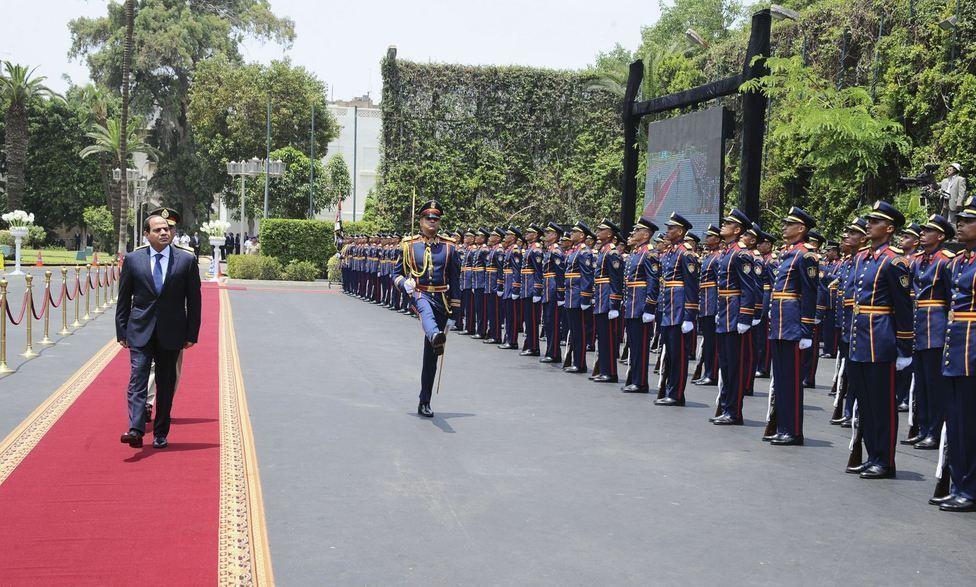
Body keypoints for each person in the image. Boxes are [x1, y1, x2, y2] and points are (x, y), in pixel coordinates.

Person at [116, 208, 202, 449]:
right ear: (147, 234)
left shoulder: (186, 260)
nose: (165, 232)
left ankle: (161, 432)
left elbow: (194, 301)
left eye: (167, 229)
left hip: (172, 332)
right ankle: (135, 429)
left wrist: (191, 333)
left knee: (165, 385)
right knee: (138, 379)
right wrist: (122, 331)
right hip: (140, 330)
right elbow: (124, 299)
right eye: (158, 230)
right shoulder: (134, 260)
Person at [845, 201, 913, 479]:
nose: (869, 225)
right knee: (865, 402)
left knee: (882, 404)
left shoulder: (895, 262)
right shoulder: (863, 257)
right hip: (859, 339)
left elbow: (904, 308)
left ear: (889, 229)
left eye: (875, 222)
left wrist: (904, 347)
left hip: (880, 339)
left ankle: (884, 460)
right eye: (869, 221)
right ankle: (872, 454)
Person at [392, 199, 462, 418]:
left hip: (441, 298)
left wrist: (455, 312)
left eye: (436, 218)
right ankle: (434, 335)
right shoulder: (409, 245)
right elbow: (395, 274)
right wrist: (404, 284)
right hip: (419, 293)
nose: (432, 221)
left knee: (431, 357)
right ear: (421, 221)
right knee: (425, 310)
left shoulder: (449, 247)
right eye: (428, 218)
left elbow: (455, 281)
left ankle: (425, 400)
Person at [765, 207, 818, 446]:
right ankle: (782, 426)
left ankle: (793, 430)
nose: (784, 227)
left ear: (801, 229)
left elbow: (810, 293)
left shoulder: (806, 256)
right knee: (781, 380)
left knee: (792, 381)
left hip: (793, 326)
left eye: (789, 224)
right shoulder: (788, 253)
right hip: (780, 324)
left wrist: (806, 329)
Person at [936, 197, 976, 511]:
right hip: (956, 350)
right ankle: (960, 483)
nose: (960, 224)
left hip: (972, 352)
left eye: (968, 220)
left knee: (969, 423)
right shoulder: (959, 261)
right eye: (960, 219)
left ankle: (970, 489)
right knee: (957, 422)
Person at [902, 215, 954, 451]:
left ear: (940, 236)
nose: (922, 234)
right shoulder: (917, 261)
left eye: (928, 231)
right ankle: (922, 428)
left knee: (934, 385)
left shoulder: (945, 262)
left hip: (936, 327)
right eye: (921, 230)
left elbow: (952, 299)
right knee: (921, 383)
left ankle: (934, 431)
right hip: (919, 325)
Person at [710, 209, 759, 426]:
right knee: (725, 364)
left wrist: (745, 317)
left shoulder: (741, 254)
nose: (723, 225)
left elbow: (749, 288)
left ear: (737, 229)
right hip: (725, 313)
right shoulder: (727, 252)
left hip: (734, 314)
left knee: (734, 366)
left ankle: (734, 411)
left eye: (728, 223)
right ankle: (726, 407)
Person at [654, 213, 699, 407]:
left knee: (678, 355)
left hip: (679, 311)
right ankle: (669, 390)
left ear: (680, 231)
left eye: (671, 228)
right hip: (669, 310)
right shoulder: (670, 252)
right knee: (670, 354)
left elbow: (691, 286)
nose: (667, 231)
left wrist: (689, 315)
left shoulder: (685, 253)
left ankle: (677, 394)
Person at [621, 217, 659, 393]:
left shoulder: (649, 253)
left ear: (645, 235)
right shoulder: (636, 252)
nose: (634, 232)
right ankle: (634, 378)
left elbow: (653, 281)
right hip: (632, 304)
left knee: (641, 346)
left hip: (641, 305)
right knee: (633, 344)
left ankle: (641, 381)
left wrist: (649, 307)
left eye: (637, 230)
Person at [590, 219, 624, 383]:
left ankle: (610, 372)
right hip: (601, 298)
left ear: (609, 234)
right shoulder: (603, 251)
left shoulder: (612, 253)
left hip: (607, 299)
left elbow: (616, 280)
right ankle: (603, 369)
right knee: (602, 337)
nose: (598, 232)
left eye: (601, 230)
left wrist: (614, 304)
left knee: (608, 338)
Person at [563, 222, 595, 374]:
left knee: (579, 331)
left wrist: (585, 297)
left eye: (574, 232)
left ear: (581, 235)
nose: (571, 234)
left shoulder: (584, 252)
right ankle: (575, 361)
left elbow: (587, 276)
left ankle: (580, 363)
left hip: (578, 296)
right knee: (574, 331)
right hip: (571, 295)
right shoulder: (574, 250)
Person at [693, 225, 721, 386]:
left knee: (712, 343)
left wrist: (717, 307)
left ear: (717, 239)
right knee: (708, 342)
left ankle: (712, 374)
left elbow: (719, 285)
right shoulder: (710, 256)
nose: (706, 238)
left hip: (712, 305)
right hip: (705, 303)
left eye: (710, 236)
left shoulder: (717, 258)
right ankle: (707, 372)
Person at [540, 222, 566, 365]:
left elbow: (560, 274)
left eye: (548, 233)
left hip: (553, 290)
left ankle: (554, 353)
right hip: (548, 289)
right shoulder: (550, 250)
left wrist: (561, 293)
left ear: (555, 235)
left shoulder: (556, 251)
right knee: (548, 322)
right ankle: (551, 352)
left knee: (553, 322)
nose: (546, 235)